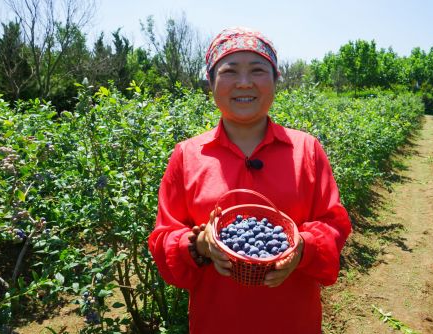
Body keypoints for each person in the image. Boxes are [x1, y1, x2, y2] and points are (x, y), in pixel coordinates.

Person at [148, 27, 351, 334]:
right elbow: (164, 239)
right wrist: (198, 245)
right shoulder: (187, 156)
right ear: (211, 83)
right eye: (230, 71)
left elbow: (334, 226)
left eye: (257, 70)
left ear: (275, 80)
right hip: (216, 321)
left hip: (293, 321)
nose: (244, 82)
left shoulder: (306, 149)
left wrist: (301, 249)